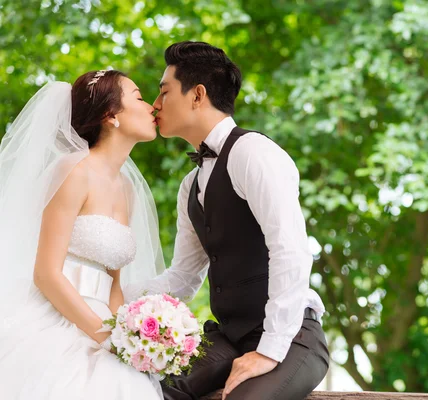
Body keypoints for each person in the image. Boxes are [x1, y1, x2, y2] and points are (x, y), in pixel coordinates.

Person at [125, 41, 330, 400]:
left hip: (292, 336)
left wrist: (268, 350)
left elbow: (291, 250)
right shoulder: (190, 184)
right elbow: (184, 277)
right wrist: (115, 307)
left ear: (197, 95)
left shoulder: (254, 153)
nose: (155, 105)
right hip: (228, 337)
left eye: (163, 91)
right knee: (146, 390)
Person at [0, 70, 165, 399]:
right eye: (138, 96)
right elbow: (46, 273)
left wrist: (131, 338)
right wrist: (105, 336)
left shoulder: (127, 188)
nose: (151, 107)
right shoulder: (74, 170)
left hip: (105, 322)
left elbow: (114, 284)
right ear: (110, 115)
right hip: (59, 316)